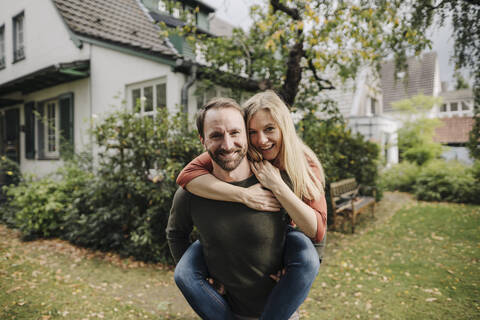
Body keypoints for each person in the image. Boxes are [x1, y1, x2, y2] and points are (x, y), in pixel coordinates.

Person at [175, 91, 327, 319]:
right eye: (252, 132)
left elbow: (318, 230)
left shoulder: (304, 164)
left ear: (284, 127)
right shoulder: (238, 151)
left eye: (269, 129)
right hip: (218, 242)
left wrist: (276, 185)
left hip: (290, 234)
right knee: (184, 273)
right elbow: (186, 176)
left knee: (305, 254)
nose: (261, 140)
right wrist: (243, 195)